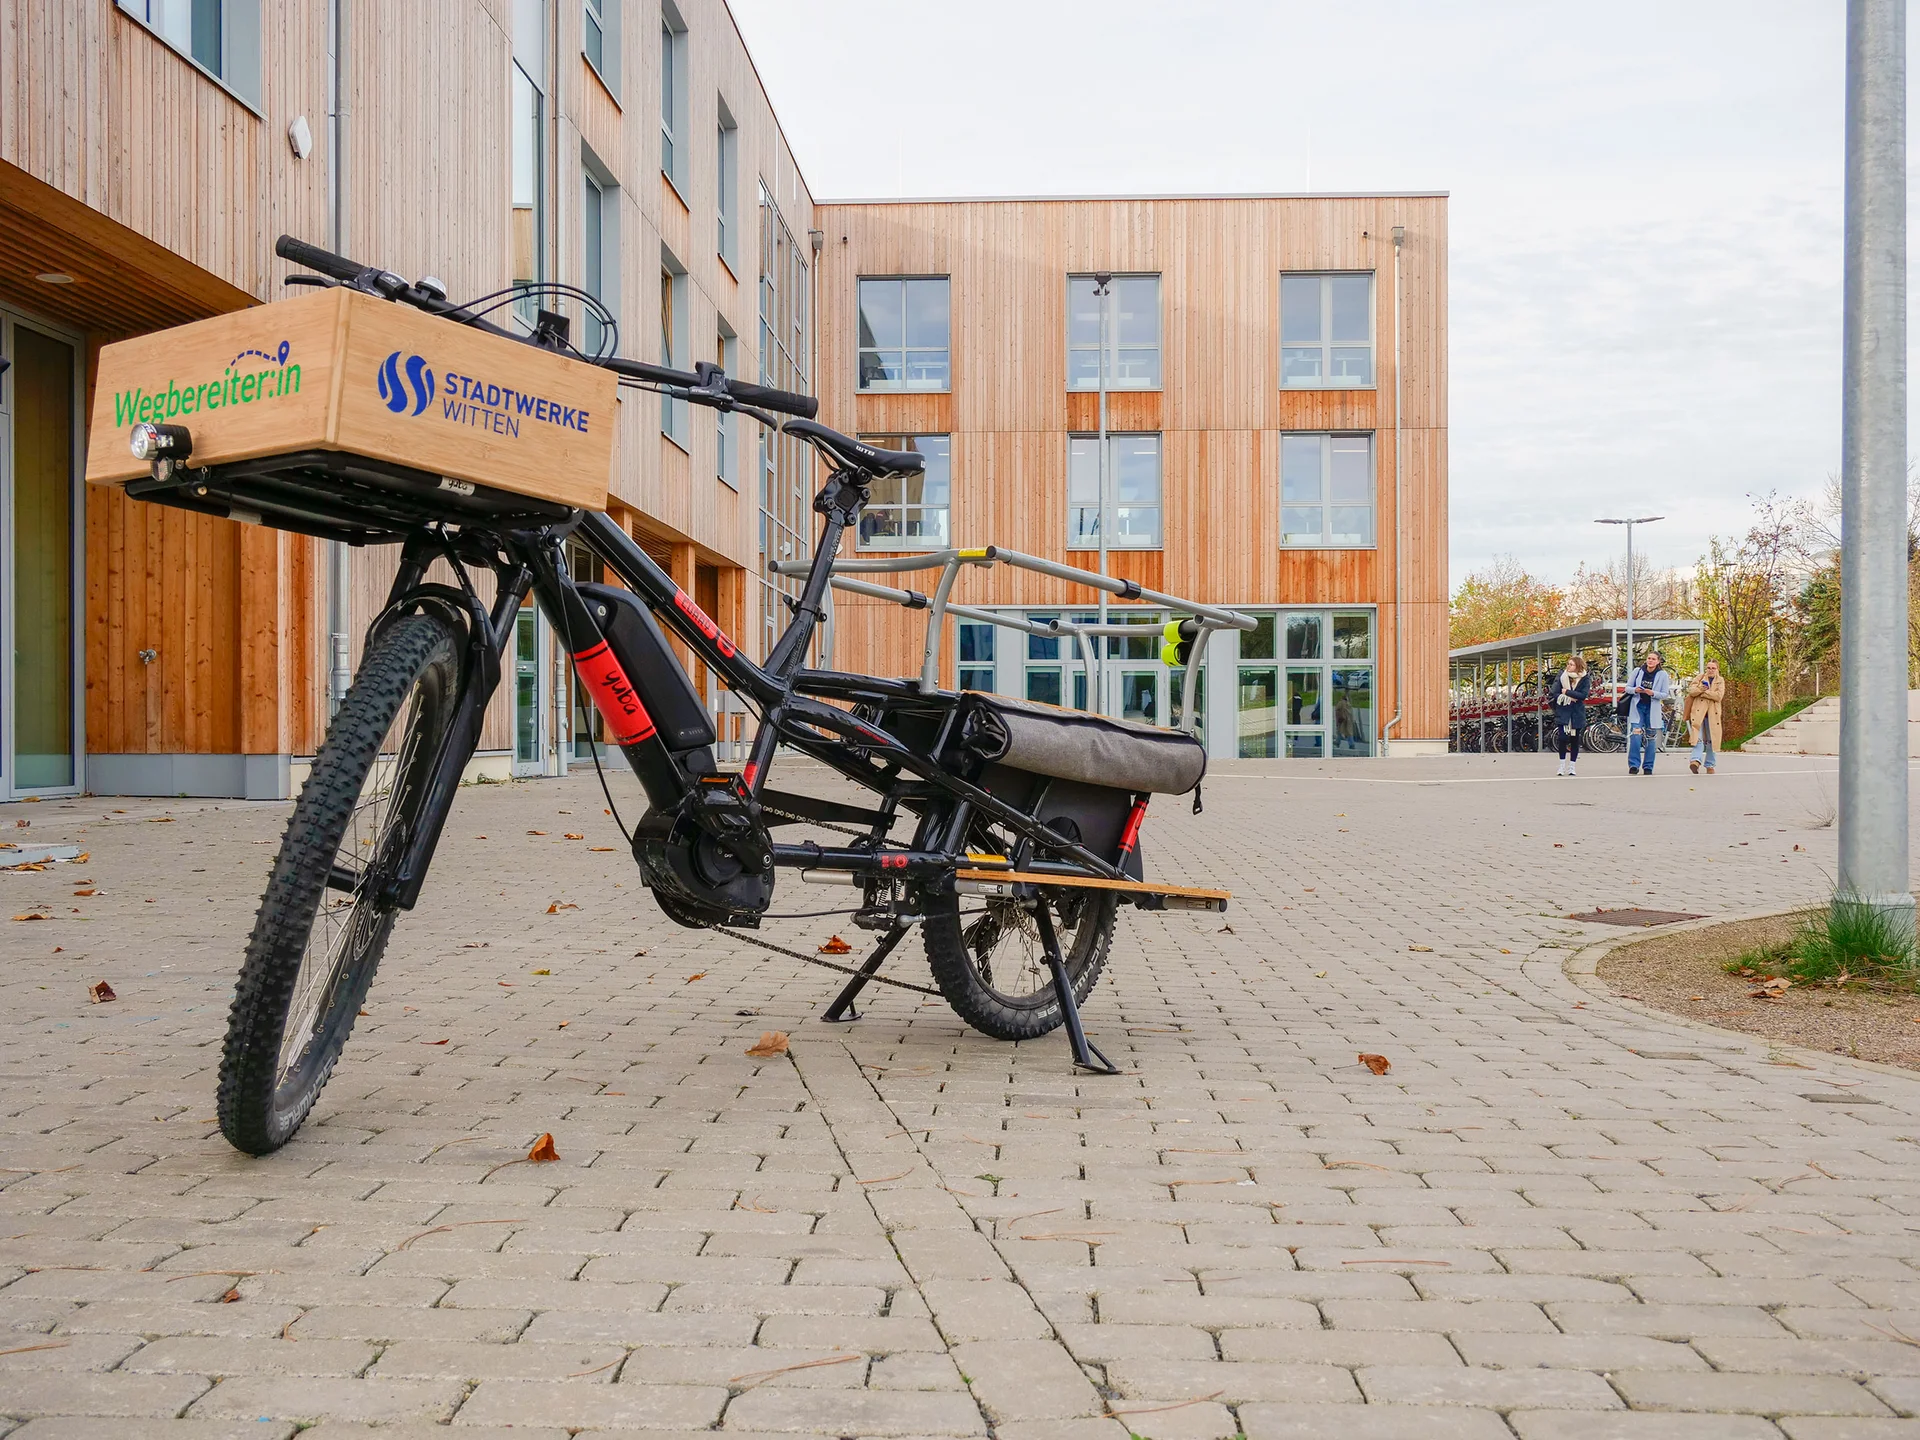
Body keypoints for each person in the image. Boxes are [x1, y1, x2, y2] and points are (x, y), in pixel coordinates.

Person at [1624, 649, 1673, 775]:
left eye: (1653, 659)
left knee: (1651, 738)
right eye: (1649, 658)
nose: (1650, 661)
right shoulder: (1638, 671)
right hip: (1638, 707)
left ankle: (1648, 766)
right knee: (1636, 735)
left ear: (1658, 661)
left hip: (1652, 708)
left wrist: (1653, 693)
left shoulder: (1662, 675)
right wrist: (1636, 690)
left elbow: (1665, 694)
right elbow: (1627, 688)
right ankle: (1634, 765)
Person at [1551, 654, 1591, 776]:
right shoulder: (1562, 676)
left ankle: (1572, 766)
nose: (1568, 666)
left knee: (1575, 739)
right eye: (1568, 664)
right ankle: (1561, 765)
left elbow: (1583, 695)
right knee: (1562, 738)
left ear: (1578, 666)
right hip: (1563, 710)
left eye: (1572, 664)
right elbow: (1554, 692)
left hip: (1576, 713)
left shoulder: (1585, 678)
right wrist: (1566, 697)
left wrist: (1567, 692)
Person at [1684, 660, 1726, 775]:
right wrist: (1701, 689)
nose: (1710, 670)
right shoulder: (1700, 678)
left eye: (1713, 668)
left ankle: (1710, 765)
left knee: (1712, 740)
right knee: (1698, 738)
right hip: (1698, 713)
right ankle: (1695, 761)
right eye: (1709, 668)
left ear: (1717, 669)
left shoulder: (1720, 680)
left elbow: (1718, 696)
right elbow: (1692, 691)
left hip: (1713, 714)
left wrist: (1704, 692)